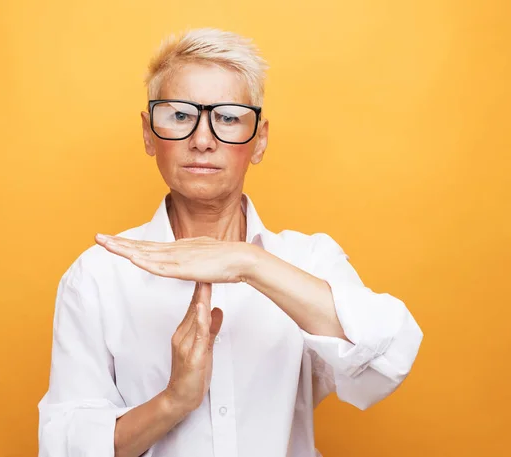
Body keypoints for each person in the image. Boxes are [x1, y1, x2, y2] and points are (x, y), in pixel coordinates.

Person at [37, 28, 423, 457]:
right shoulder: (96, 277)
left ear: (259, 139)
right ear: (149, 134)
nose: (203, 140)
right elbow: (66, 448)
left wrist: (247, 262)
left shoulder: (307, 260)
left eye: (229, 117)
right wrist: (174, 400)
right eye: (180, 116)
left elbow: (388, 357)